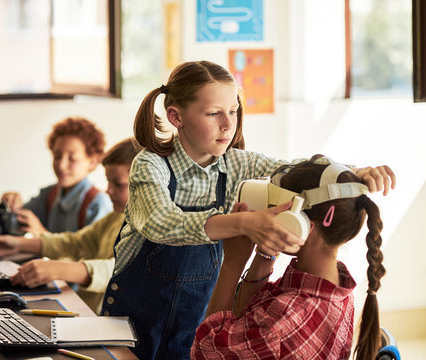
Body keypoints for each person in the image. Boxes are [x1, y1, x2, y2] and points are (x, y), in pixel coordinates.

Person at [100, 60, 396, 360]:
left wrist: (356, 172)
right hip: (131, 327)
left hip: (192, 330)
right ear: (176, 116)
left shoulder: (237, 164)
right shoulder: (150, 165)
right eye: (214, 113)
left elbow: (297, 171)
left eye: (233, 110)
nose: (228, 124)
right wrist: (242, 223)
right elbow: (161, 223)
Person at [191, 155, 394, 360]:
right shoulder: (337, 288)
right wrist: (265, 254)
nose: (269, 214)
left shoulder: (285, 318)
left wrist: (232, 264)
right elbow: (248, 317)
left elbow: (206, 350)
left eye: (278, 207)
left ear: (301, 223)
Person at [0, 138, 139, 313]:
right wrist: (19, 244)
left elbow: (120, 270)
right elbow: (76, 242)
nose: (108, 190)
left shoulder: (147, 229)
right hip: (86, 313)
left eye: (118, 184)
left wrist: (57, 268)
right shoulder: (115, 217)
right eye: (108, 181)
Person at [1, 117, 112, 236]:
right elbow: (17, 219)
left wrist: (41, 234)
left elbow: (92, 251)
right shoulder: (49, 195)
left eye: (72, 158)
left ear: (92, 162)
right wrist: (11, 204)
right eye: (57, 156)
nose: (62, 165)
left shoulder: (98, 203)